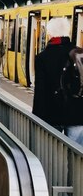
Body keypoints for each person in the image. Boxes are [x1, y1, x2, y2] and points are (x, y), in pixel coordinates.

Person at [32, 17, 83, 146]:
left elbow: (40, 92)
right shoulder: (80, 54)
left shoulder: (42, 58)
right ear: (68, 32)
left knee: (52, 153)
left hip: (52, 114)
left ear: (49, 34)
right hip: (78, 114)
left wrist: (36, 117)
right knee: (76, 153)